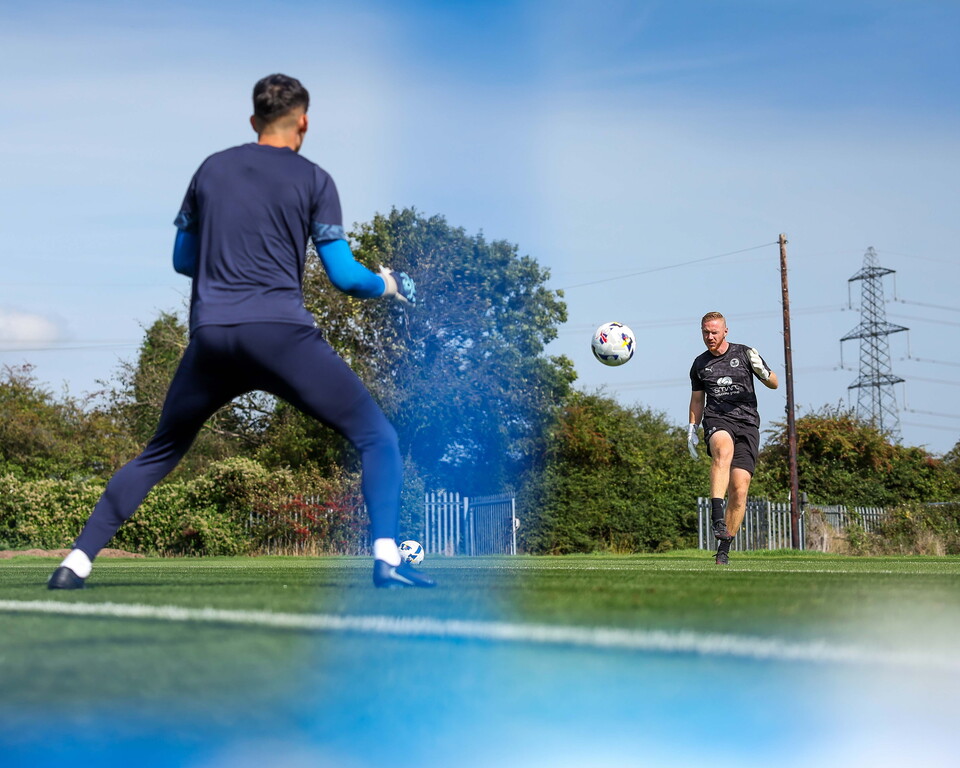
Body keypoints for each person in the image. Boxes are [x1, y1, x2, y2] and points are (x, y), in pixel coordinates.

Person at [48, 74, 434, 590]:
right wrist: (387, 285)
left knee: (160, 453)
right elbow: (344, 277)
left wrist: (225, 263)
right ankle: (386, 560)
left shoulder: (211, 170)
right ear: (304, 122)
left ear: (254, 121)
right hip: (280, 337)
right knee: (377, 437)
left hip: (213, 337)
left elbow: (183, 259)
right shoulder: (315, 180)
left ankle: (75, 563)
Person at [687, 311, 778, 565]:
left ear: (725, 331)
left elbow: (774, 383)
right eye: (705, 332)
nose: (710, 337)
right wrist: (692, 428)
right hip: (718, 419)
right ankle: (717, 516)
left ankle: (724, 546)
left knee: (739, 488)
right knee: (722, 450)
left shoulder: (744, 353)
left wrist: (762, 371)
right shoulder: (699, 364)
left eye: (714, 332)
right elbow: (697, 399)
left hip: (747, 424)